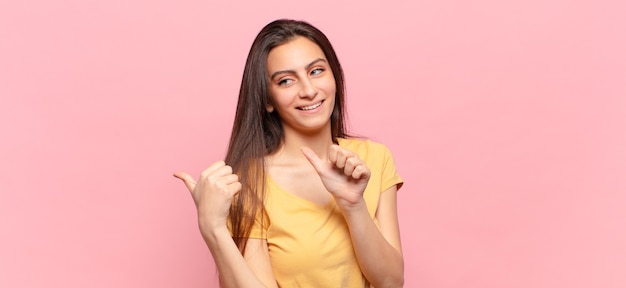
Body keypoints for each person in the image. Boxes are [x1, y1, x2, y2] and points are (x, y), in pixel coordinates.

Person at [174, 19, 404, 288]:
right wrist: (213, 228)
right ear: (268, 100)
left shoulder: (374, 158)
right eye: (286, 81)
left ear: (334, 76)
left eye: (317, 71)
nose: (308, 91)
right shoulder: (250, 182)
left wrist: (354, 206)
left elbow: (391, 282)